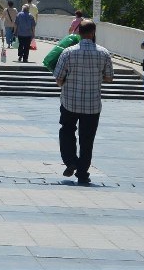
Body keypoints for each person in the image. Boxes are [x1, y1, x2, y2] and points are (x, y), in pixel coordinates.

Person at [53, 19, 114, 184]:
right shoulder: (103, 53)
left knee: (66, 131)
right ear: (93, 33)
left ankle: (70, 161)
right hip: (92, 105)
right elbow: (109, 78)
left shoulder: (68, 52)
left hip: (69, 102)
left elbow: (58, 79)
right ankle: (82, 172)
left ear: (79, 32)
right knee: (87, 139)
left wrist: (66, 83)